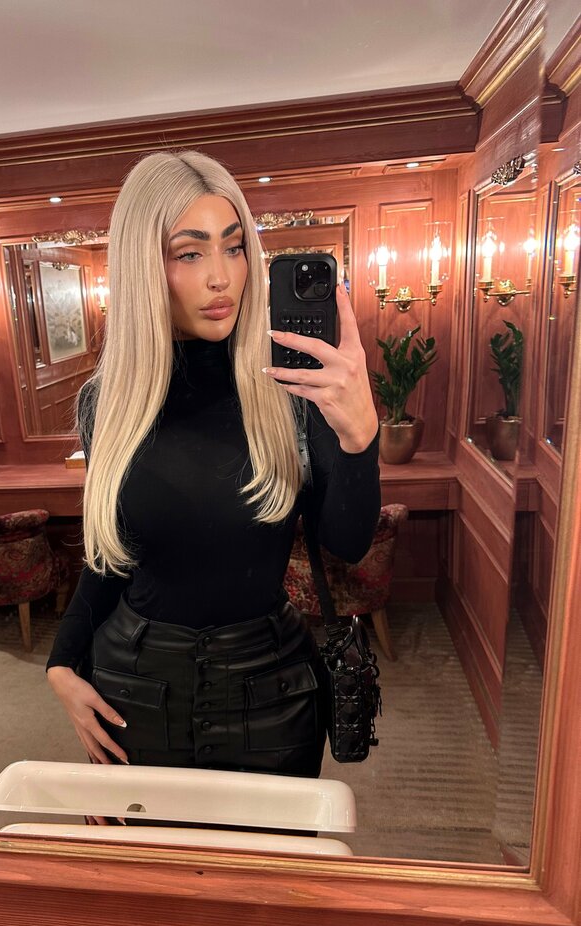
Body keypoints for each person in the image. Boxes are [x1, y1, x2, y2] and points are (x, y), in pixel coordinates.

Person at [45, 149, 380, 826]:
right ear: (143, 266)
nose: (221, 276)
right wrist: (61, 667)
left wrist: (360, 435)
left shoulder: (292, 387)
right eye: (189, 253)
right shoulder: (106, 402)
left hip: (271, 694)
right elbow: (110, 559)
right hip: (133, 690)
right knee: (147, 877)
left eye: (234, 247)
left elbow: (347, 542)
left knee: (269, 879)